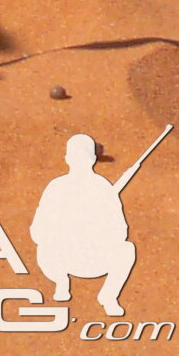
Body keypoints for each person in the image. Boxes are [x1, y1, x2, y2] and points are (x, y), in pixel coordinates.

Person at [31, 133, 139, 317]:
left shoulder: (99, 189)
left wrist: (93, 228)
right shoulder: (95, 187)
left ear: (67, 159)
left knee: (126, 249)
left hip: (91, 258)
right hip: (67, 257)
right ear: (93, 160)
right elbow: (38, 231)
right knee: (127, 249)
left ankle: (107, 296)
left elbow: (119, 231)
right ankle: (62, 282)